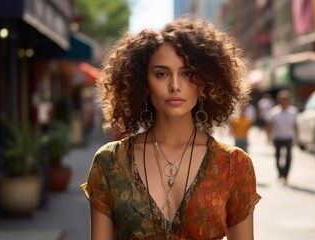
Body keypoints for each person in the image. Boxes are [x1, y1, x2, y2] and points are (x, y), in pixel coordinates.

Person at [81, 16, 261, 240]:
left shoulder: (234, 165)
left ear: (205, 81)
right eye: (161, 74)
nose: (175, 86)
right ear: (143, 83)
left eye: (187, 74)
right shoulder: (109, 162)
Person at [265, 90, 298, 185]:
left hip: (288, 137)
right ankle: (280, 173)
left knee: (288, 157)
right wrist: (268, 137)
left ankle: (285, 175)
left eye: (285, 100)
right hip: (277, 138)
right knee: (278, 157)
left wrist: (297, 137)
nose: (284, 102)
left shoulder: (293, 111)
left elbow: (295, 125)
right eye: (282, 100)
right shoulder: (273, 112)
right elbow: (269, 126)